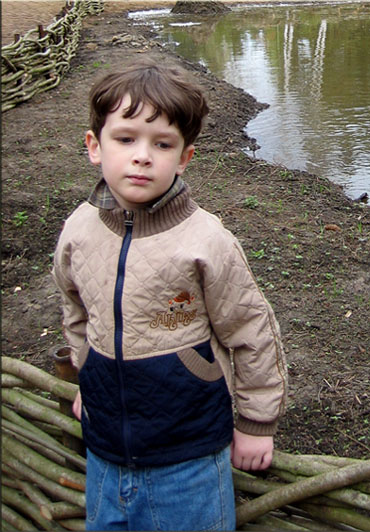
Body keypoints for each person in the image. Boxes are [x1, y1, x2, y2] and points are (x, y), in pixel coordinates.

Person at [52, 58, 288, 531]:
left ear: (184, 158)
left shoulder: (206, 240)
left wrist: (255, 424)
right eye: (125, 139)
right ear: (94, 146)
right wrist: (86, 377)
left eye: (162, 144)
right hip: (104, 450)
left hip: (190, 454)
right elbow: (77, 309)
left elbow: (250, 329)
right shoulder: (78, 230)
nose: (142, 156)